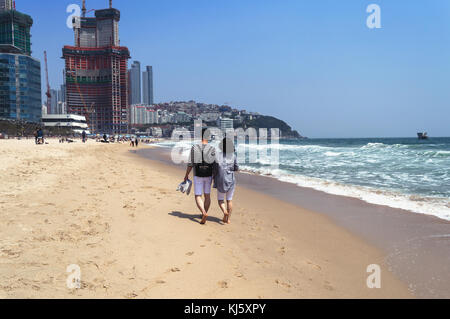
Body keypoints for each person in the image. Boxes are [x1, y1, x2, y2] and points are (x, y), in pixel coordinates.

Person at [183, 128, 215, 225]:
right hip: (209, 174)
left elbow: (190, 164)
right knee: (207, 195)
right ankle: (204, 213)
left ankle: (203, 213)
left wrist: (186, 175)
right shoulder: (212, 148)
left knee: (198, 195)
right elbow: (214, 164)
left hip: (198, 174)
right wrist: (215, 175)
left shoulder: (195, 147)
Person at [213, 138, 239, 224]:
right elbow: (236, 168)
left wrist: (214, 177)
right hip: (231, 180)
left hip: (220, 179)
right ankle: (228, 219)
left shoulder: (217, 155)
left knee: (220, 199)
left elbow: (215, 169)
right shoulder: (233, 156)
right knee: (229, 200)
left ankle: (224, 211)